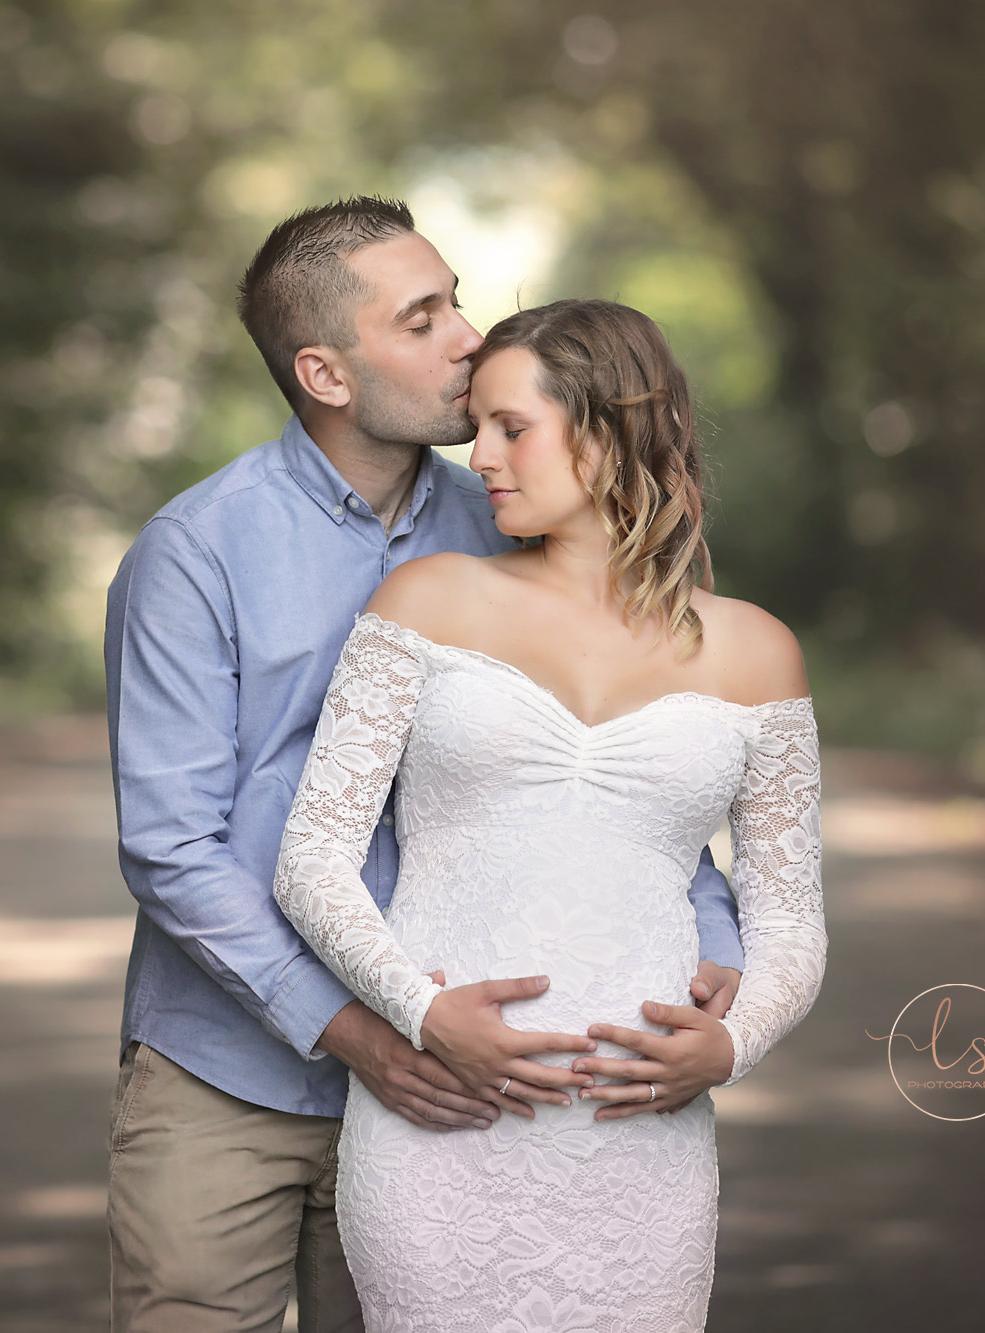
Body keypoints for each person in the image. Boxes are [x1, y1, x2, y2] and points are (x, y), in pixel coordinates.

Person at [103, 199, 749, 1331]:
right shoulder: (196, 552)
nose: (466, 336)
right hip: (230, 1078)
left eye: (454, 298)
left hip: (461, 1098)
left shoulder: (510, 519)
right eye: (423, 318)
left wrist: (714, 937)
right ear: (327, 372)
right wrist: (364, 1030)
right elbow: (170, 849)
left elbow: (608, 754)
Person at [272, 297, 828, 1330]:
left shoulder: (757, 652)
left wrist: (731, 1043)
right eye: (474, 423)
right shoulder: (426, 599)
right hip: (438, 1120)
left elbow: (790, 920)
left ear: (610, 427)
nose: (477, 453)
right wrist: (422, 1013)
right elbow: (310, 857)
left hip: (637, 1135)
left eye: (509, 426)